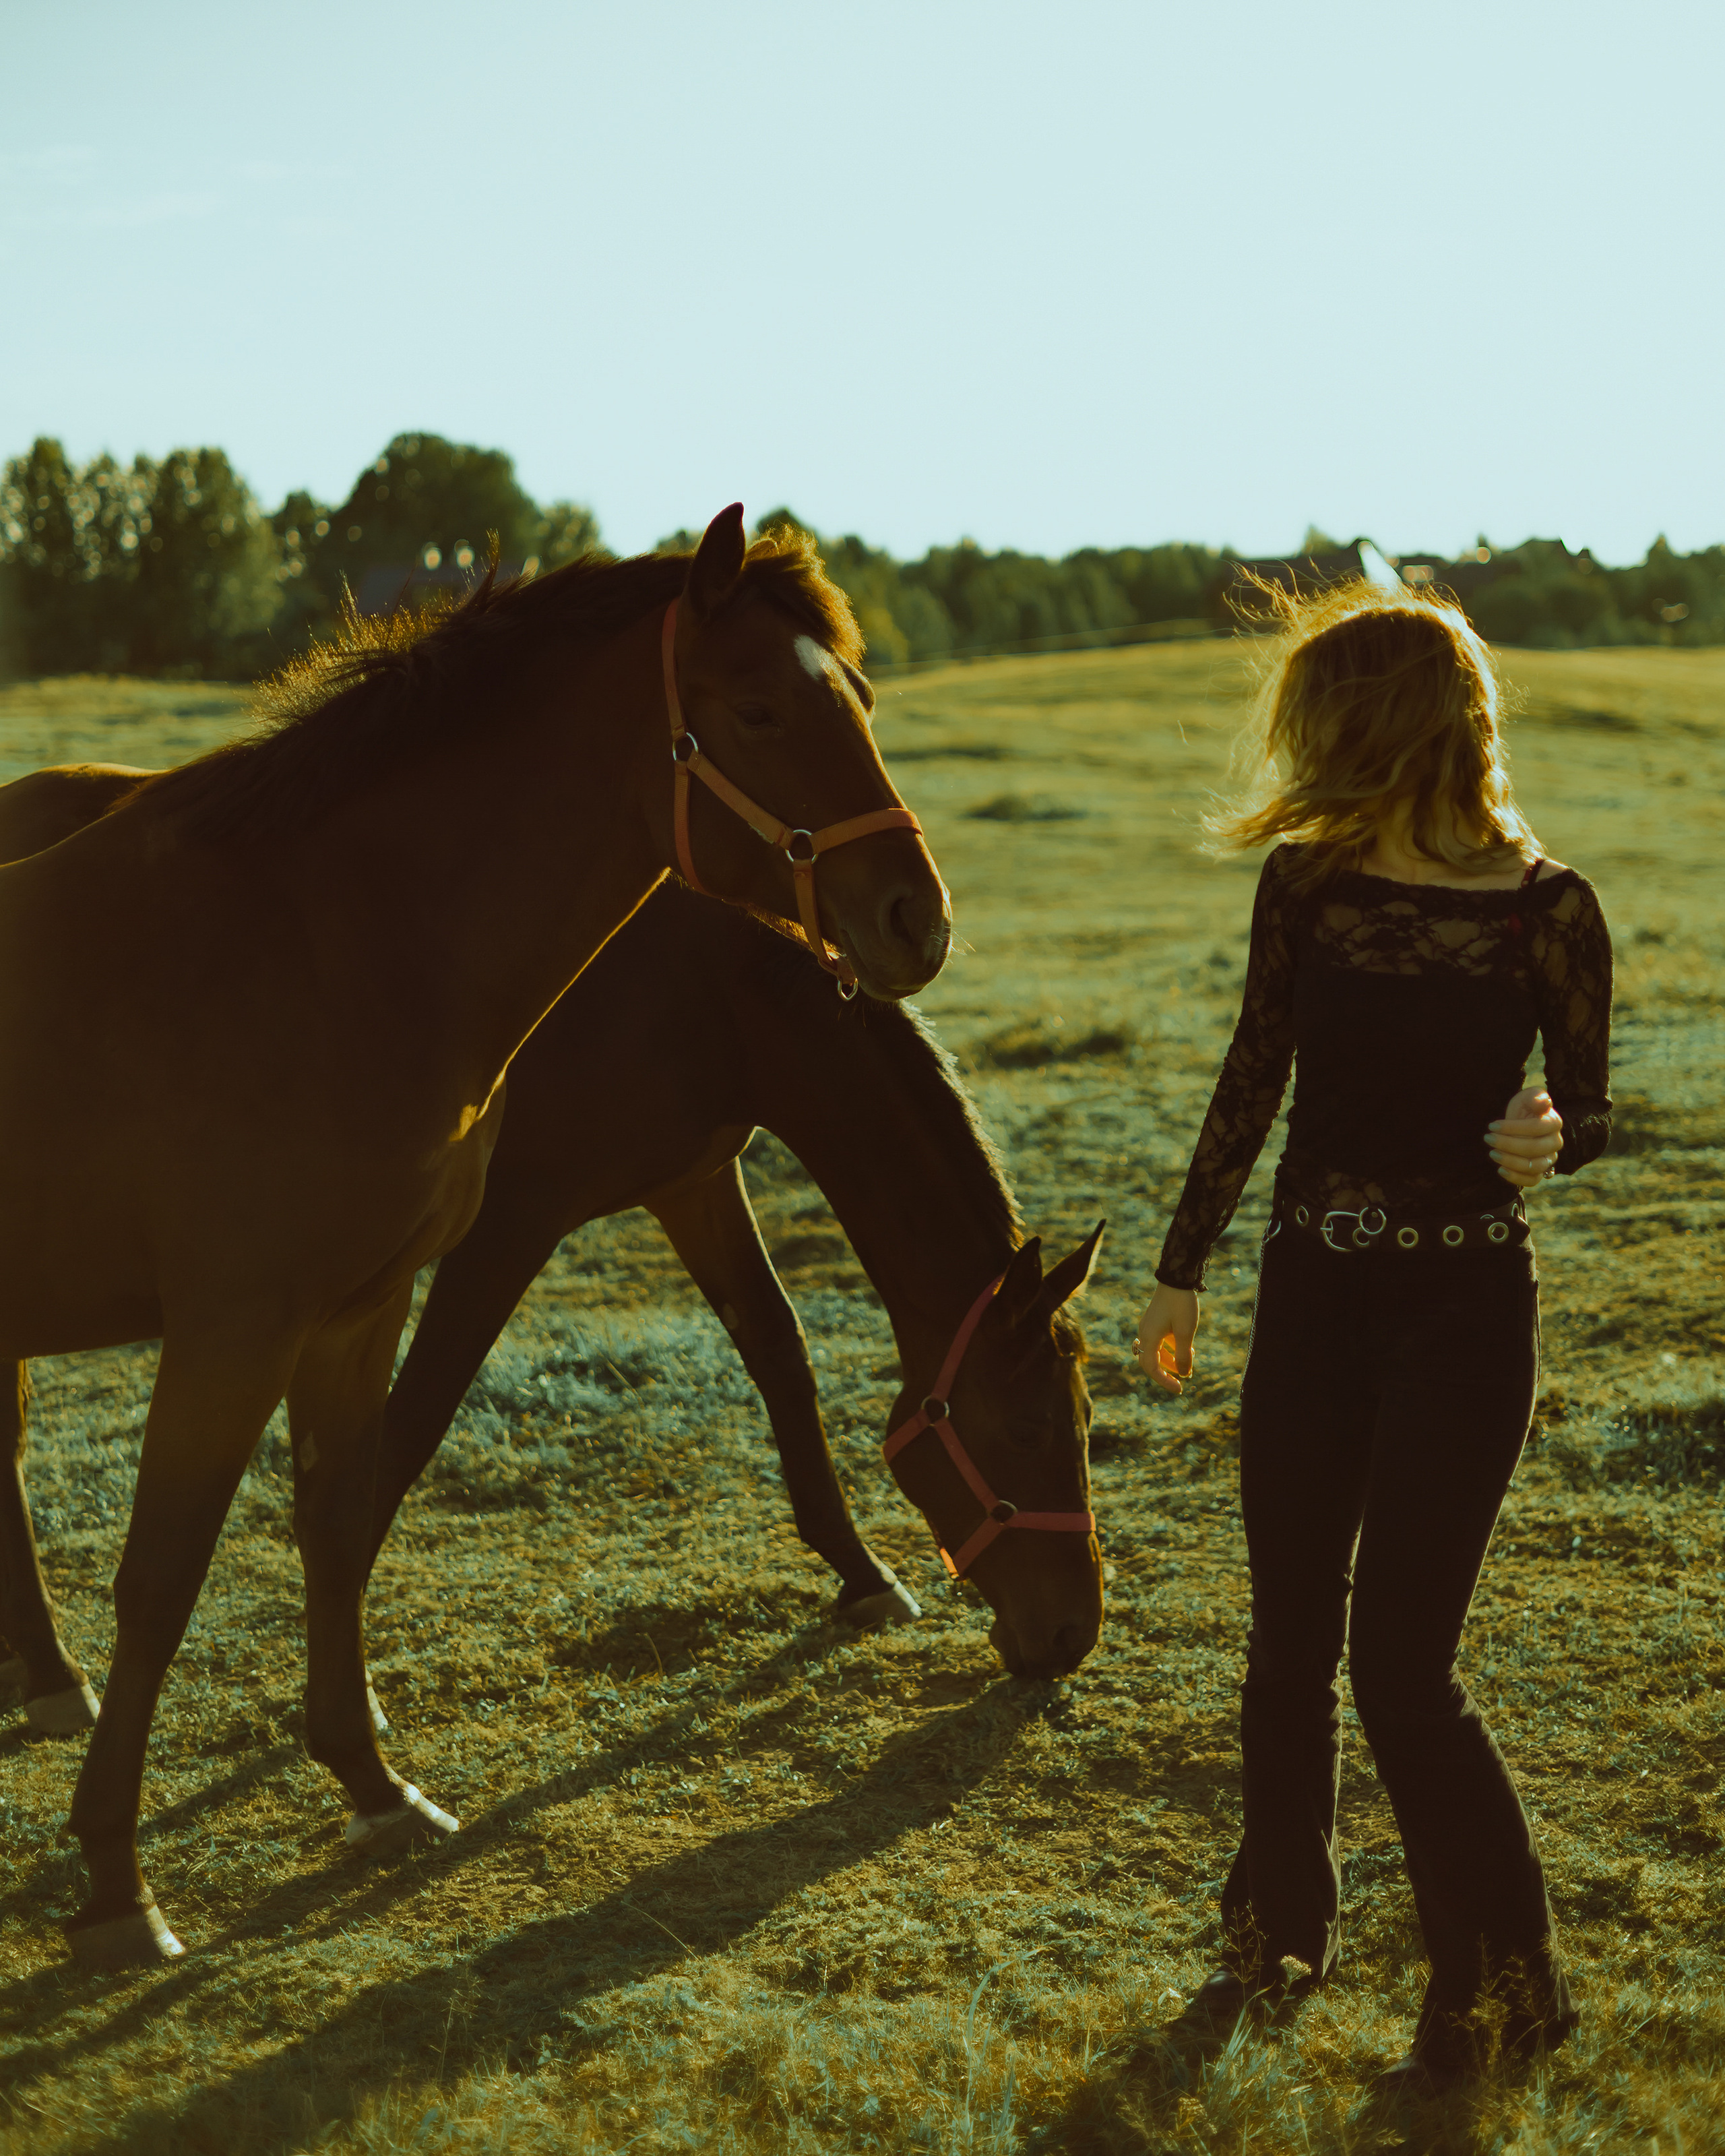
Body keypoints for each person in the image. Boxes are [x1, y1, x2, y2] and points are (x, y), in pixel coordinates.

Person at [1135, 578, 1612, 2095]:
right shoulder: (1312, 890)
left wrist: (1550, 1130)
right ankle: (1280, 1922)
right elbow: (1250, 1071)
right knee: (1285, 1639)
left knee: (1401, 1668)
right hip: (1308, 1291)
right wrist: (1178, 1268)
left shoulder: (1551, 911)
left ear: (1379, 726)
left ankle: (1496, 1988)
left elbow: (1583, 1110)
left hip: (1464, 1311)